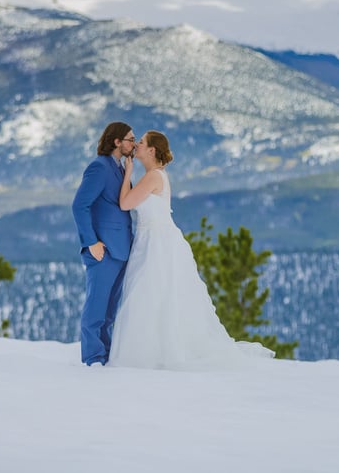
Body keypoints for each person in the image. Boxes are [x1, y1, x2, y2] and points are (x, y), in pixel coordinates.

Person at [107, 130, 275, 369]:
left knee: (151, 293)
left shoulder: (153, 176)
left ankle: (151, 354)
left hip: (156, 243)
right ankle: (153, 350)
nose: (137, 146)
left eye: (141, 143)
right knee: (154, 294)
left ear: (152, 150)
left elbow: (125, 203)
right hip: (153, 240)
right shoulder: (156, 175)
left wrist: (127, 174)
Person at [71, 121, 136, 366]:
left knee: (110, 310)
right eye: (130, 139)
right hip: (103, 250)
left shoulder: (119, 168)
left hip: (121, 248)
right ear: (117, 141)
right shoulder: (99, 167)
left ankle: (105, 356)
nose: (134, 143)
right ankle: (92, 358)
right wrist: (91, 242)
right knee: (96, 307)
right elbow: (79, 205)